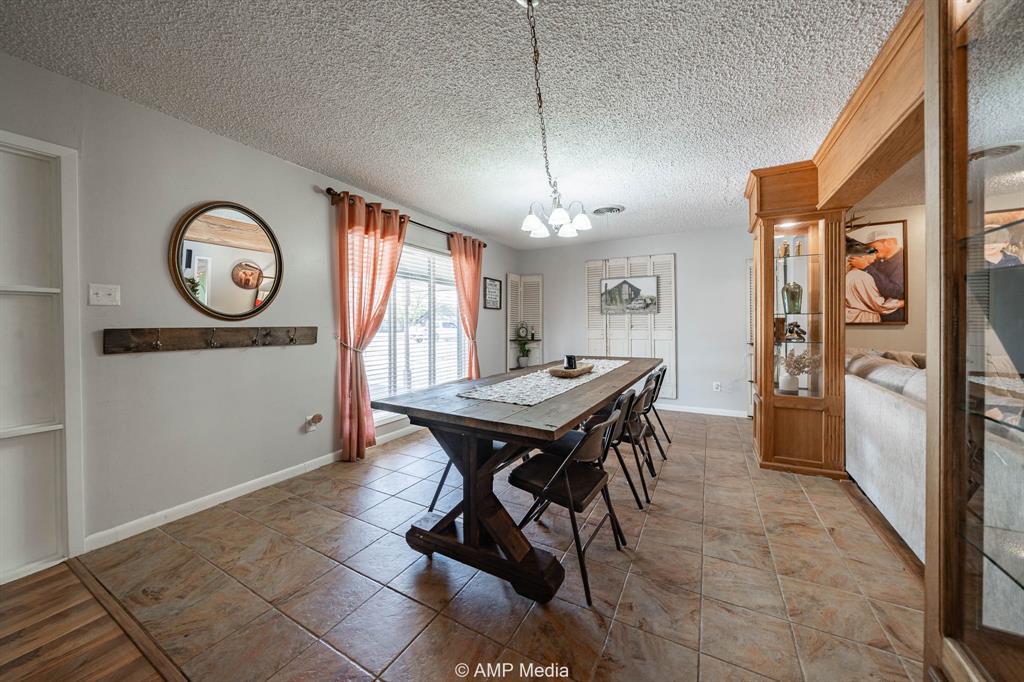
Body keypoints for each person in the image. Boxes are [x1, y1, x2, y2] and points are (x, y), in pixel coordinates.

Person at [846, 239, 905, 323]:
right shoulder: (862, 277)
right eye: (872, 252)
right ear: (862, 256)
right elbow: (879, 305)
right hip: (863, 320)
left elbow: (895, 290)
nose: (875, 255)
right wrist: (902, 303)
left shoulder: (850, 275)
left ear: (889, 243)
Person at [864, 232, 906, 322]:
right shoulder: (878, 261)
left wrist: (866, 267)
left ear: (889, 243)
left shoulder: (905, 260)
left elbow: (895, 292)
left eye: (873, 247)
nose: (870, 251)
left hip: (897, 321)